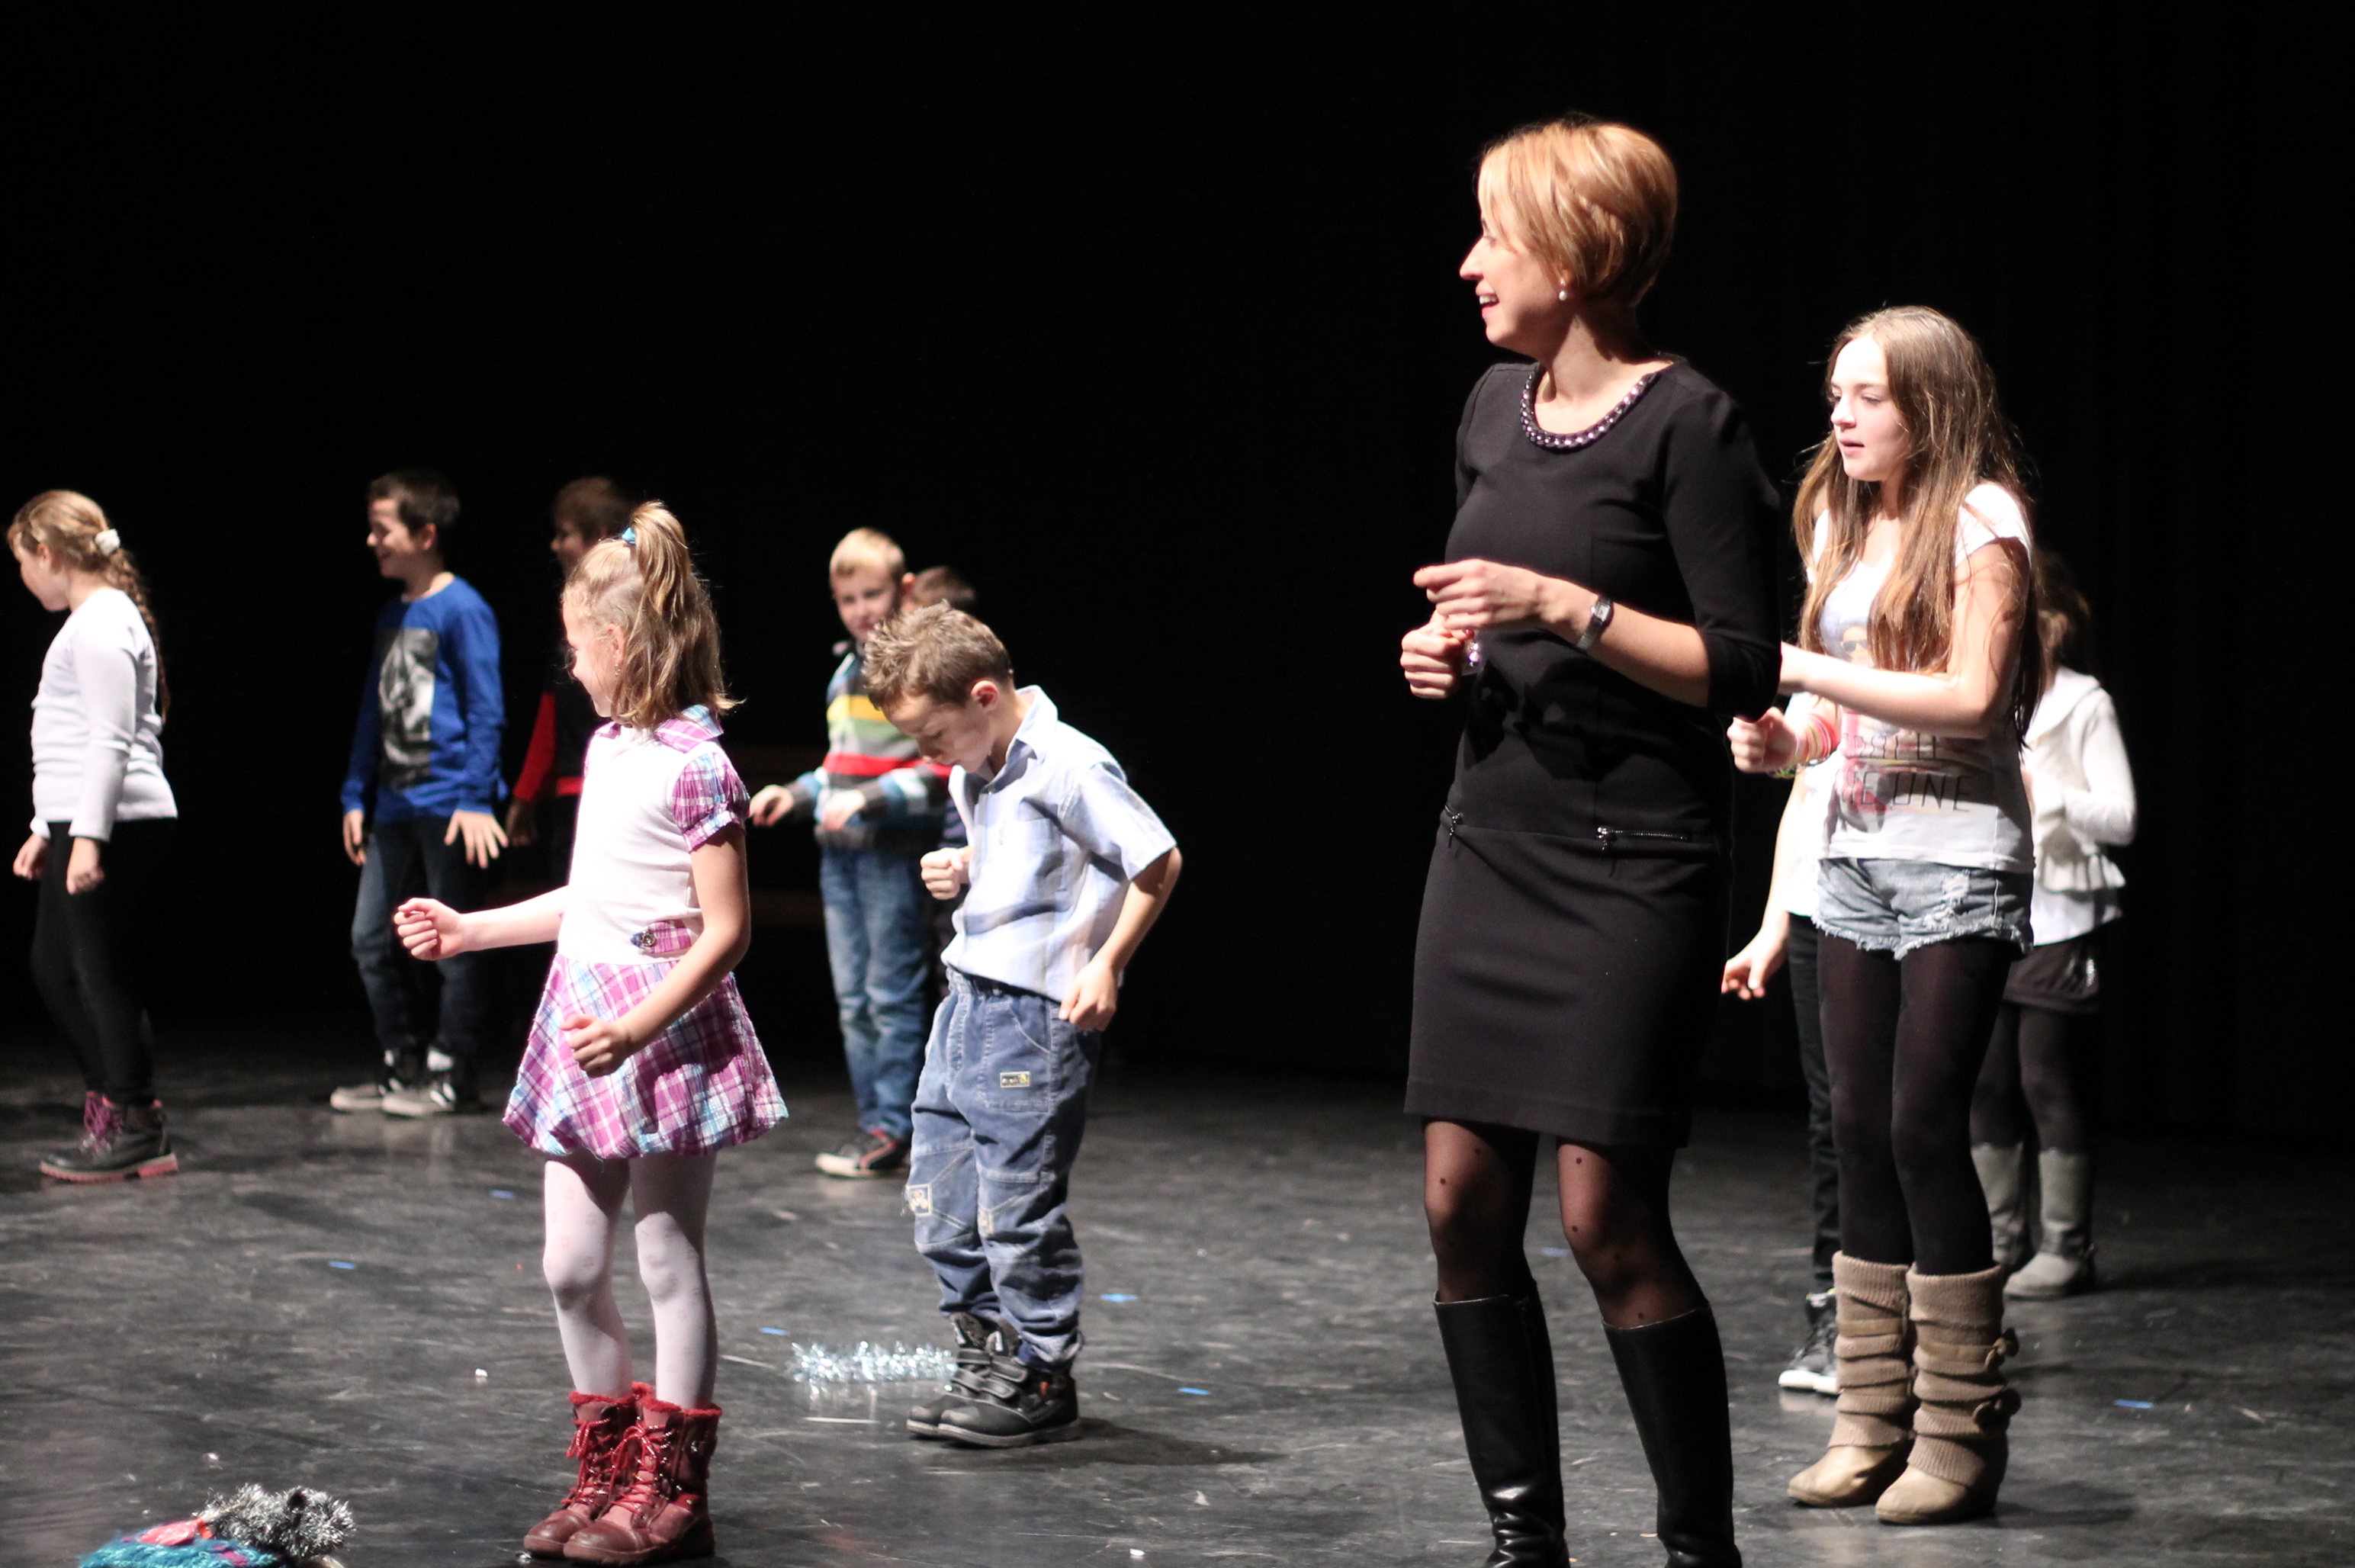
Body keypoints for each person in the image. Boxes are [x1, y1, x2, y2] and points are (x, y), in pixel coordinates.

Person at [1400, 115, 1778, 1568]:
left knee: (1602, 1212)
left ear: (1573, 254)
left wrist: (1563, 608)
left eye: (1494, 236)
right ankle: (1523, 1541)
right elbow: (1475, 612)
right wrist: (1446, 658)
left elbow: (1740, 666)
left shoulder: (1691, 424)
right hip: (1491, 835)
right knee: (1458, 1204)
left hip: (1633, 858)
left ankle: (1695, 1549)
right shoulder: (1489, 407)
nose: (1469, 263)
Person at [393, 505, 782, 1564]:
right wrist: (471, 929)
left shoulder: (697, 764)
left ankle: (672, 1492)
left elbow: (728, 930)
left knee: (665, 1257)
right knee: (569, 1264)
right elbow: (592, 899)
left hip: (664, 1029)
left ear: (618, 643)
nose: (570, 666)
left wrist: (639, 1025)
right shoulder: (610, 749)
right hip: (586, 1021)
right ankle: (606, 1471)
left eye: (576, 646)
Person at [1728, 305, 2040, 1526]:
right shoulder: (1840, 518)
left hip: (1959, 861)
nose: (1843, 418)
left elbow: (1970, 697)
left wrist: (1803, 673)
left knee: (1920, 1127)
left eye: (1869, 397)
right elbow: (1839, 718)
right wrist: (1789, 739)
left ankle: (1959, 1433)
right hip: (1852, 857)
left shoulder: (1984, 520)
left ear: (1931, 404)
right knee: (1856, 1129)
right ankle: (1869, 1418)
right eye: (1836, 396)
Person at [862, 604, 1181, 1449]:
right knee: (937, 1198)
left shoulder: (1071, 764)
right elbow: (1022, 856)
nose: (929, 755)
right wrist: (965, 864)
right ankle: (987, 1354)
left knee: (1015, 1205)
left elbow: (1157, 860)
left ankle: (1043, 1373)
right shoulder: (975, 770)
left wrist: (1106, 963)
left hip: (1033, 1019)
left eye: (933, 735)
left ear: (982, 696)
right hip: (964, 1002)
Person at [747, 529, 946, 1180]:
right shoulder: (845, 670)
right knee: (854, 1000)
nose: (861, 609)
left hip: (890, 852)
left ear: (904, 590)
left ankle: (895, 1125)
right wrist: (796, 794)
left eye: (873, 594)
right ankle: (875, 1124)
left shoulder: (918, 668)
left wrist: (869, 799)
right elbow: (840, 765)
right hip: (840, 855)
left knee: (891, 995)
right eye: (848, 599)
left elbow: (942, 768)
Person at [1970, 548, 2134, 1300]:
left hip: (2058, 914)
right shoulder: (1984, 693)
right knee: (1985, 1079)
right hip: (1987, 903)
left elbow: (2123, 816)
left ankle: (2066, 1245)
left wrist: (2052, 792)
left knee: (2045, 1078)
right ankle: (2001, 1238)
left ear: (2052, 625)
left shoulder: (2083, 701)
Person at [8, 492, 181, 1181]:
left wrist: (89, 837)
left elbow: (110, 740)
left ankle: (137, 1120)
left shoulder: (104, 621)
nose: (23, 578)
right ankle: (115, 1101)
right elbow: (68, 739)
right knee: (55, 967)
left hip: (117, 819)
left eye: (23, 563)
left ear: (48, 554)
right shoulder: (89, 621)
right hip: (82, 818)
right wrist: (43, 828)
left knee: (101, 973)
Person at [330, 470, 507, 1119]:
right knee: (370, 937)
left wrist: (476, 798)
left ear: (425, 535)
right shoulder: (392, 614)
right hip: (395, 804)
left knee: (455, 942)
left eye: (384, 529)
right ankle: (399, 1061)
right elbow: (371, 712)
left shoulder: (463, 609)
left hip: (449, 804)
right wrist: (355, 794)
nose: (372, 540)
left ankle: (454, 1069)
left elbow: (487, 710)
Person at [1720, 751, 1841, 1394]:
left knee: (1906, 1124)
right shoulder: (1821, 684)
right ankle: (1836, 1313)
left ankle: (1928, 1322)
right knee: (1834, 1121)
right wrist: (1775, 924)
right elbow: (1803, 797)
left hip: (1912, 900)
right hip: (1820, 907)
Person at [509, 477, 637, 879]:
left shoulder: (634, 614)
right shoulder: (574, 617)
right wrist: (526, 794)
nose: (554, 545)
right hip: (574, 789)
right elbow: (552, 714)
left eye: (565, 534)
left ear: (599, 535)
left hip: (624, 788)